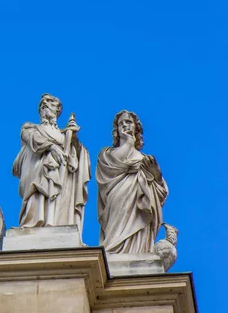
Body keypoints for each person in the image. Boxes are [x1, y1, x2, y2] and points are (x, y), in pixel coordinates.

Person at [12, 93, 90, 234]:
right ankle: (32, 224)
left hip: (59, 176)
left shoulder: (63, 135)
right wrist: (51, 147)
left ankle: (54, 222)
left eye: (50, 102)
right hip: (37, 171)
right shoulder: (31, 127)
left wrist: (74, 141)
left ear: (58, 110)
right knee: (36, 199)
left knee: (55, 203)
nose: (45, 104)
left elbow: (73, 160)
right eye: (42, 104)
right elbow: (32, 138)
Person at [96, 110, 168, 255]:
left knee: (139, 242)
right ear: (116, 130)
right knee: (114, 237)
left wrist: (156, 175)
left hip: (140, 203)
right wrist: (128, 143)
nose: (124, 125)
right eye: (120, 123)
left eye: (128, 122)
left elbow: (162, 192)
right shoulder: (107, 154)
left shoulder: (144, 158)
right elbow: (111, 168)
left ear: (136, 127)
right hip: (117, 199)